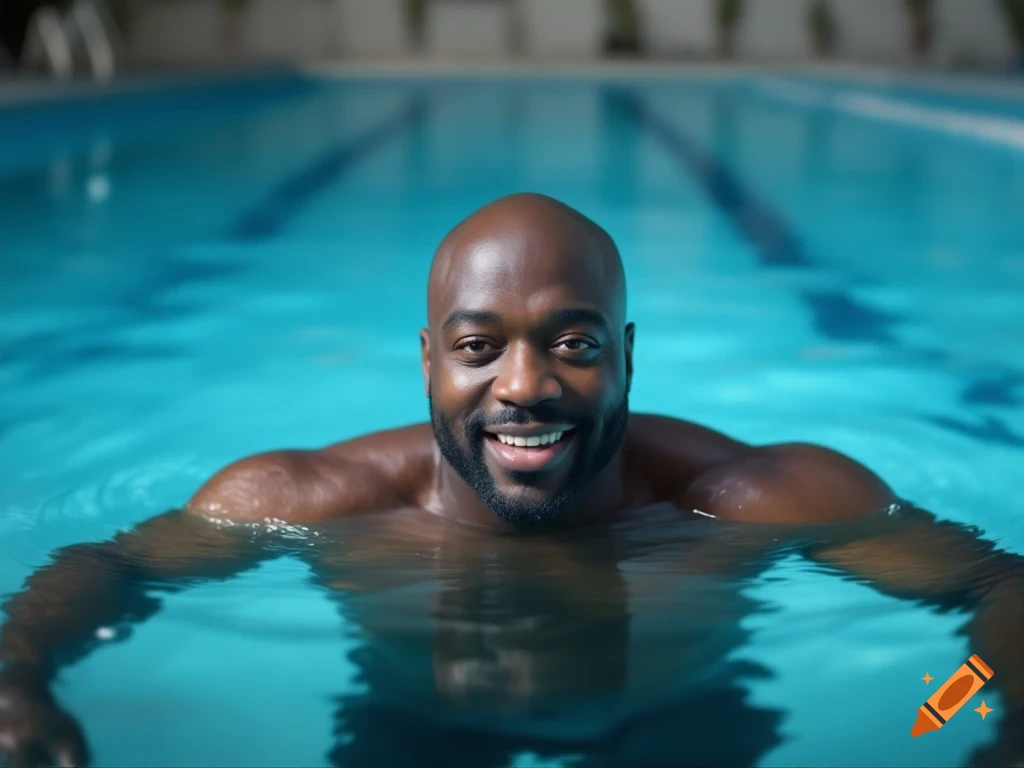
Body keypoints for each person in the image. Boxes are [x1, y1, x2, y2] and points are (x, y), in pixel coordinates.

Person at [0, 194, 1021, 767]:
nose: (524, 385)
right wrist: (17, 675)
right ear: (428, 363)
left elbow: (996, 587)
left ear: (627, 354)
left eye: (571, 343)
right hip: (412, 732)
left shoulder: (752, 497)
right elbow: (117, 566)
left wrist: (998, 712)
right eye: (479, 346)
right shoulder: (310, 500)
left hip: (680, 729)